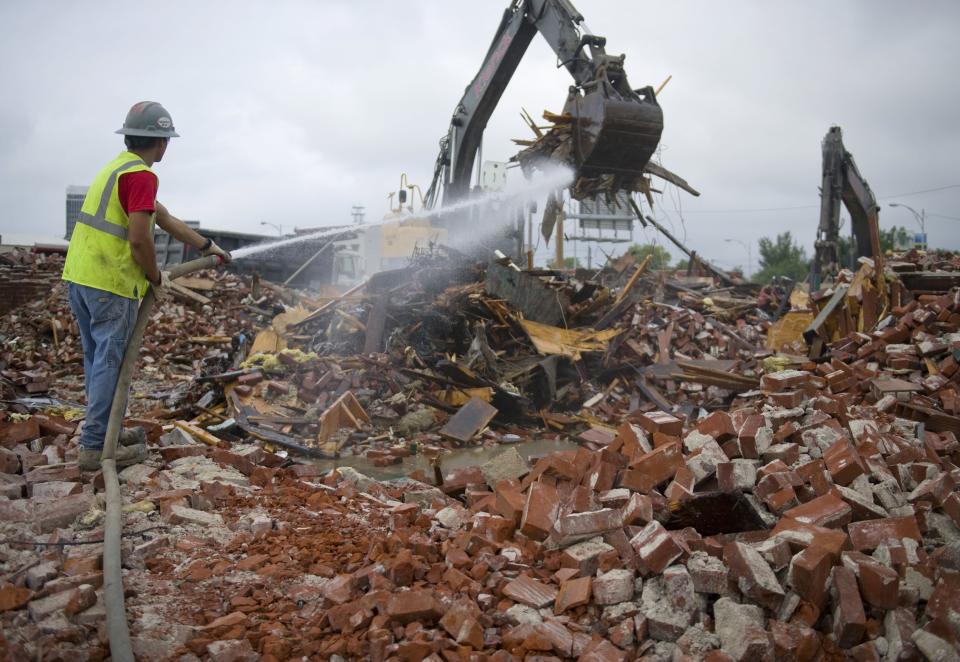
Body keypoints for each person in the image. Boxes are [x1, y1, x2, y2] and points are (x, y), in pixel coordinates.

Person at [62, 101, 232, 471]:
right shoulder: (141, 176)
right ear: (162, 143)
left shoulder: (117, 169)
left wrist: (207, 247)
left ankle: (106, 432)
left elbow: (163, 217)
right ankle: (95, 447)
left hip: (80, 279)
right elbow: (140, 239)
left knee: (97, 362)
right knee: (111, 364)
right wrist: (156, 277)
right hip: (111, 283)